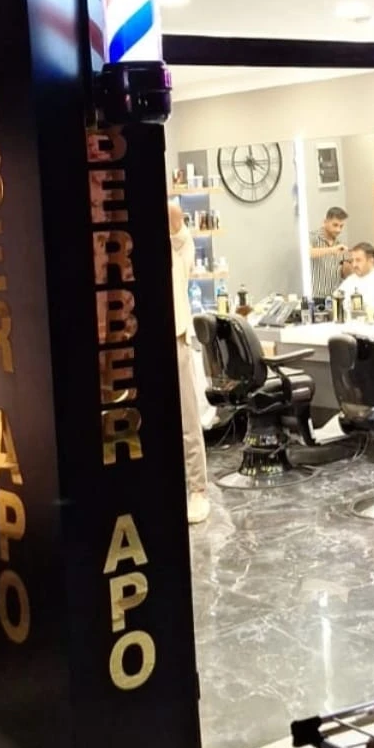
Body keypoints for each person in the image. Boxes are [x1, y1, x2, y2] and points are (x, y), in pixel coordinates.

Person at [169, 200, 210, 524]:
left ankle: (198, 490)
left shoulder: (179, 247)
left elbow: (172, 209)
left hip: (176, 336)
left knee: (187, 420)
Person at [310, 206, 349, 300]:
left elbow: (342, 273)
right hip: (315, 297)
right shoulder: (312, 237)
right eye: (335, 225)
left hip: (335, 297)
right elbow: (308, 253)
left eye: (341, 226)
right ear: (325, 222)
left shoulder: (340, 244)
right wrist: (331, 250)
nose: (338, 230)